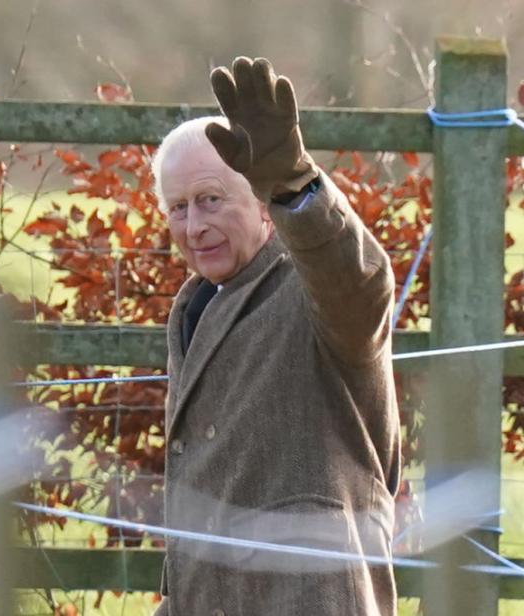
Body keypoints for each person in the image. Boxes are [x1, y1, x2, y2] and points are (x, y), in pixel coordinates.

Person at [151, 57, 401, 616]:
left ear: (262, 203)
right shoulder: (195, 308)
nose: (194, 226)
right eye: (178, 208)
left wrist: (296, 185)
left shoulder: (312, 287)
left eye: (211, 200)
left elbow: (361, 283)